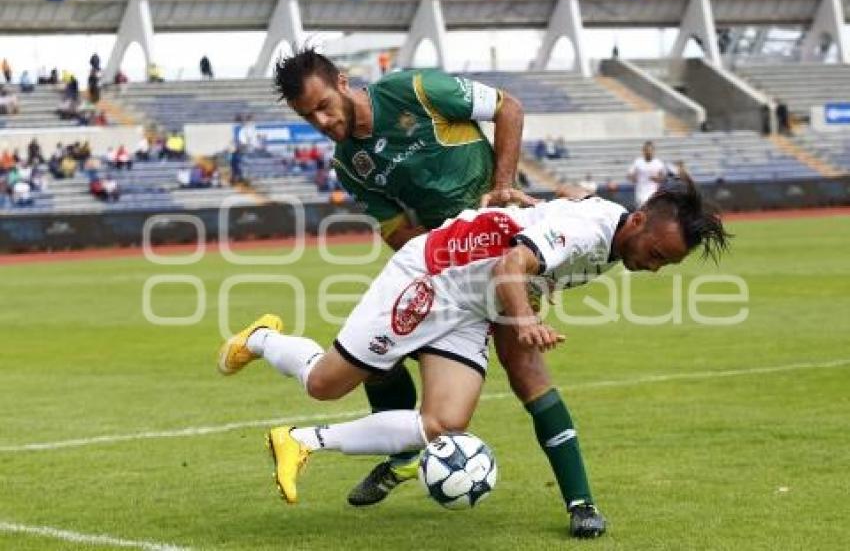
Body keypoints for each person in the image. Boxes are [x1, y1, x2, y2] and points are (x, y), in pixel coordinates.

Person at [218, 176, 730, 526]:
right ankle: (262, 337)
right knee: (323, 384)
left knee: (444, 422)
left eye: (667, 264)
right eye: (657, 254)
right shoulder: (589, 231)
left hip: (471, 305)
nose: (654, 265)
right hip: (433, 275)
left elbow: (571, 200)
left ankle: (300, 441)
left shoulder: (614, 226)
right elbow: (511, 266)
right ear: (639, 222)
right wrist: (527, 320)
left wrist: (534, 215)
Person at [267, 47, 610, 538]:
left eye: (323, 106)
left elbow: (507, 107)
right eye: (308, 117)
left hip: (508, 247)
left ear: (343, 82)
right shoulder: (351, 164)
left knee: (524, 367)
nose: (321, 121)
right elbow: (396, 232)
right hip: (445, 271)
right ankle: (404, 457)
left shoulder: (416, 91)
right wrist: (441, 260)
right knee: (377, 359)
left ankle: (581, 503)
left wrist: (504, 183)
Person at [627, 140, 665, 208]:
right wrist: (633, 178)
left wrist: (657, 179)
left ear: (653, 151)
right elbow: (629, 175)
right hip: (640, 192)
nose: (649, 152)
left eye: (650, 150)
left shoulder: (658, 163)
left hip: (653, 192)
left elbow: (663, 178)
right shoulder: (638, 162)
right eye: (647, 150)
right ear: (643, 151)